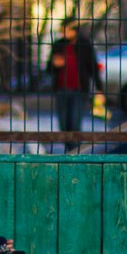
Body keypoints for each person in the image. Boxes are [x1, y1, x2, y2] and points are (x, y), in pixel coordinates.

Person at [47, 18, 102, 153]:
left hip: (79, 90)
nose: (63, 32)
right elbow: (49, 68)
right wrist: (55, 65)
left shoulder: (84, 45)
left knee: (74, 123)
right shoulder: (58, 45)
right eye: (62, 29)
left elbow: (93, 68)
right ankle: (70, 149)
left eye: (66, 29)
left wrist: (99, 89)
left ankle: (75, 153)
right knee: (64, 125)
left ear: (74, 29)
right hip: (61, 90)